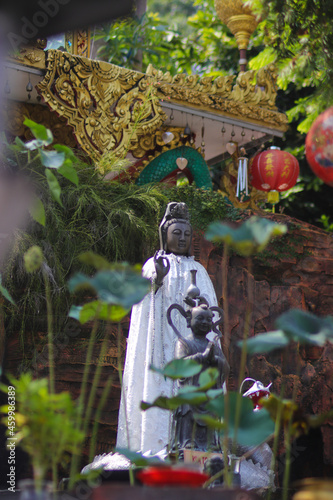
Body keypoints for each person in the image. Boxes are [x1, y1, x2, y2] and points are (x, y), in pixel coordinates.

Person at [116, 202, 220, 455]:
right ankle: (152, 446)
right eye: (176, 233)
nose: (182, 239)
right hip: (161, 344)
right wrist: (158, 279)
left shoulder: (200, 271)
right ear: (165, 235)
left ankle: (197, 450)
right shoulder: (153, 264)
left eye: (186, 234)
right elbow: (145, 299)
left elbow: (211, 311)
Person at [170, 303, 228, 454]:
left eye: (208, 320)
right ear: (189, 321)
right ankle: (187, 443)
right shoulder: (184, 343)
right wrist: (200, 358)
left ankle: (210, 446)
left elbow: (226, 368)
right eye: (200, 319)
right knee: (188, 412)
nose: (204, 323)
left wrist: (215, 360)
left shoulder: (213, 345)